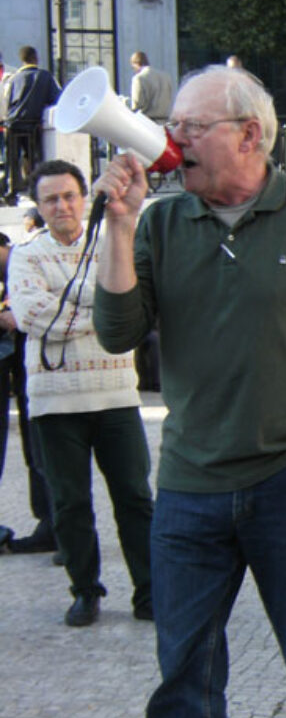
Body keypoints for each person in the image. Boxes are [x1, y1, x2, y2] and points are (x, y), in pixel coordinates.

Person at [92, 64, 286, 718]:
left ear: (248, 134)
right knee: (183, 677)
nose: (171, 138)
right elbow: (118, 332)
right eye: (172, 126)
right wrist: (118, 230)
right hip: (189, 489)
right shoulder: (160, 220)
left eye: (190, 126)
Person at [6, 160, 153, 627]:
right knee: (70, 502)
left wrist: (78, 299)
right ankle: (85, 590)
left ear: (84, 198)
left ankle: (149, 591)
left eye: (70, 196)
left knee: (134, 497)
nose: (63, 206)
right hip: (55, 402)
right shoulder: (27, 255)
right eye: (51, 199)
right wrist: (102, 307)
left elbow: (132, 307)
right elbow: (34, 318)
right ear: (40, 206)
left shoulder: (115, 246)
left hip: (115, 396)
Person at [0, 231, 55, 556]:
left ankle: (54, 525)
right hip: (10, 358)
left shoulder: (30, 261)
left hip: (33, 362)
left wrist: (17, 316)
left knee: (40, 450)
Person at [3, 46, 61, 205]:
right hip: (33, 124)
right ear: (36, 58)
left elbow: (6, 102)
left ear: (22, 59)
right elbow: (56, 99)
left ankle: (11, 191)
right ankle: (35, 188)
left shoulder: (14, 78)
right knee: (34, 158)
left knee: (12, 159)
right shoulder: (44, 77)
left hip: (13, 124)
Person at [129, 51, 174, 123]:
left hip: (147, 122)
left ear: (135, 64)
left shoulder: (139, 78)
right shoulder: (166, 76)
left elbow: (136, 104)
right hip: (165, 121)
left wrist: (124, 102)